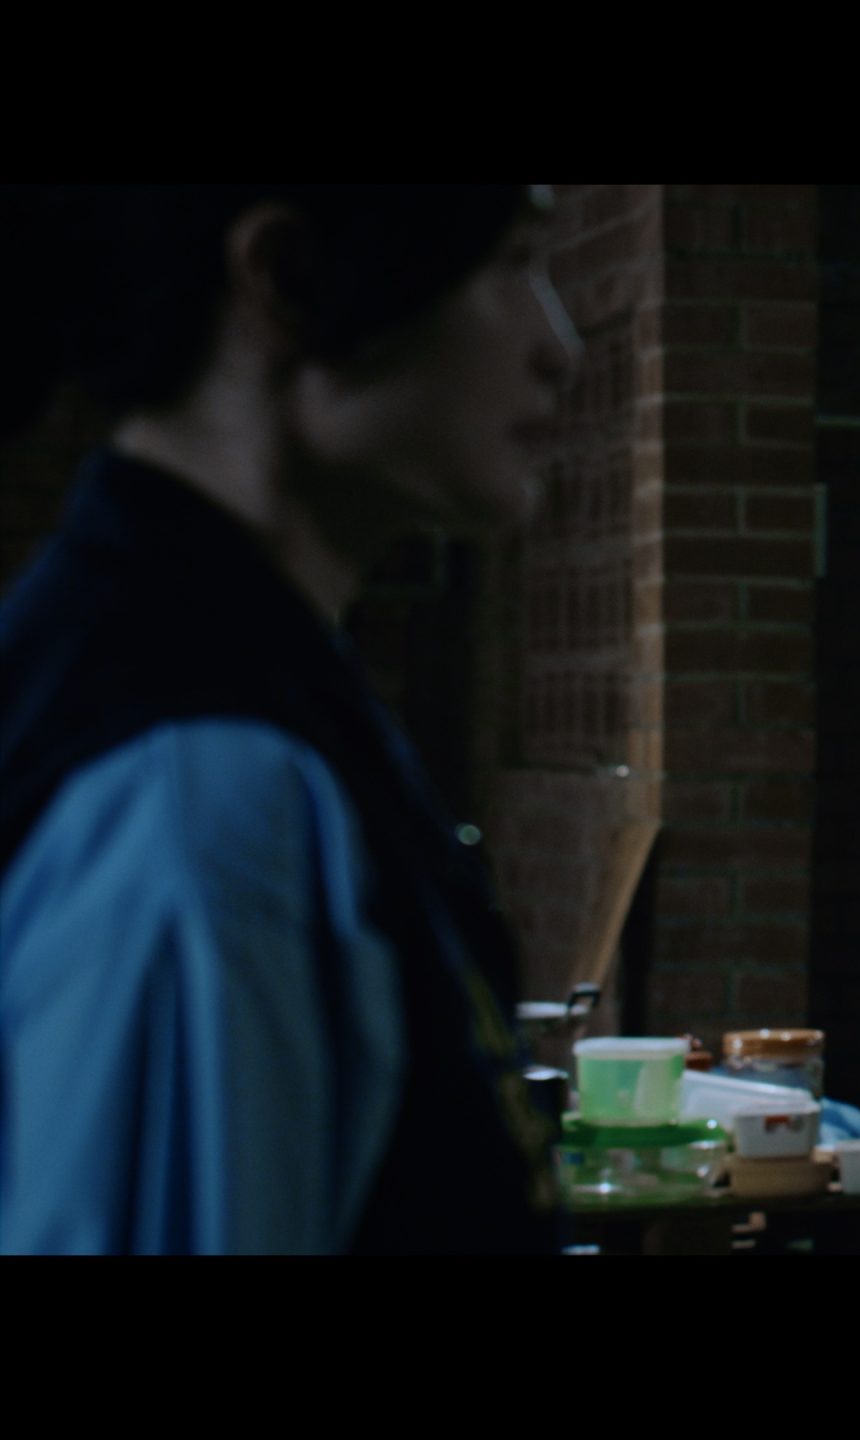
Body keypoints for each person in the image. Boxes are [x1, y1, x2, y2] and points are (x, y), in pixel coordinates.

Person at [0, 185, 581, 1253]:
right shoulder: (197, 775)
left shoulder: (251, 678)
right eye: (510, 263)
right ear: (284, 279)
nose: (560, 347)